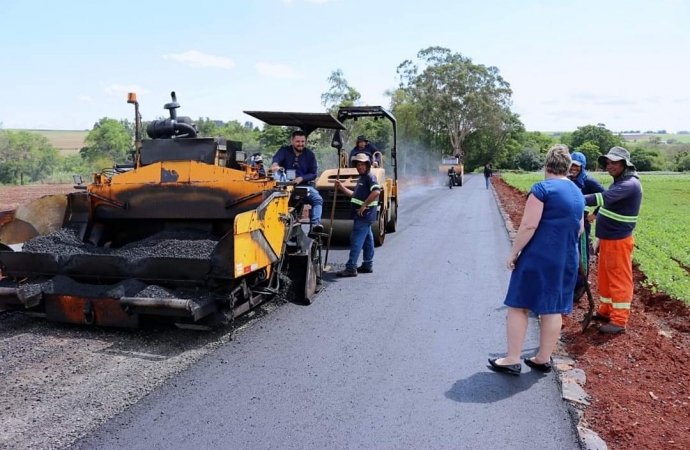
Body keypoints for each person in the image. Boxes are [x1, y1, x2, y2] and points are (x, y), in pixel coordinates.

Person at [488, 145, 585, 375]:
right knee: (553, 309)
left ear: (547, 165)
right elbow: (580, 228)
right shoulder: (577, 192)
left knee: (518, 306)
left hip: (539, 257)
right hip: (566, 258)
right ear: (568, 167)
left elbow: (529, 225)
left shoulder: (542, 189)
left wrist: (514, 253)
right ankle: (542, 358)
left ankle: (512, 358)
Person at [584, 146, 643, 334]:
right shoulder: (619, 182)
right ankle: (606, 310)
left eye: (614, 162)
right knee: (605, 278)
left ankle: (619, 320)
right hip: (608, 238)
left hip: (619, 240)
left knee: (619, 279)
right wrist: (599, 237)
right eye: (608, 163)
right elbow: (607, 208)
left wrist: (572, 197)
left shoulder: (629, 184)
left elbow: (602, 198)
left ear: (625, 164)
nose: (610, 166)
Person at [333, 153, 381, 277]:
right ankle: (367, 264)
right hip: (364, 216)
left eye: (362, 164)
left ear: (367, 165)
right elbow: (355, 196)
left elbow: (376, 191)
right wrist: (342, 187)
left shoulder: (370, 177)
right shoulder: (362, 178)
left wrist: (364, 205)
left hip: (364, 215)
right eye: (358, 165)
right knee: (368, 240)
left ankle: (351, 267)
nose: (360, 167)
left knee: (356, 240)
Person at [568, 152, 605, 302]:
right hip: (568, 221)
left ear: (582, 166)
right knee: (570, 253)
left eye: (576, 165)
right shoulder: (567, 180)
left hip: (582, 221)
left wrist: (595, 214)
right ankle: (572, 284)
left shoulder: (588, 181)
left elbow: (607, 197)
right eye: (571, 164)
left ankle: (581, 284)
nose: (573, 168)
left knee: (582, 253)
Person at [270, 130, 323, 229]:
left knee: (318, 199)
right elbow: (276, 160)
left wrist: (301, 178)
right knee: (272, 199)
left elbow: (313, 174)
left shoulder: (310, 155)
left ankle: (315, 225)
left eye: (302, 142)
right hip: (284, 186)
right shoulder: (284, 150)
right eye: (298, 141)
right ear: (292, 141)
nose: (300, 144)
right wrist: (275, 166)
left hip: (302, 186)